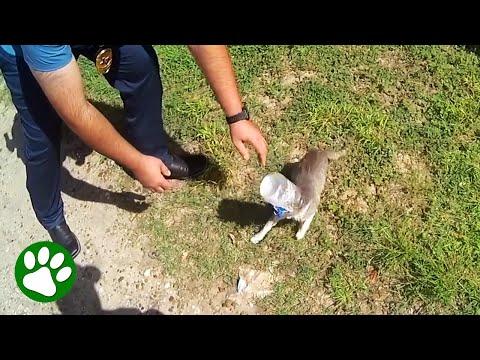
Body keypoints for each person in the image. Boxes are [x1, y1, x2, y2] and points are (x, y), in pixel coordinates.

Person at [0, 45, 268, 258]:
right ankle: (50, 216)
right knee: (42, 136)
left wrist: (237, 116)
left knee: (139, 64)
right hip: (24, 54)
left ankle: (156, 154)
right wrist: (135, 163)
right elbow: (77, 112)